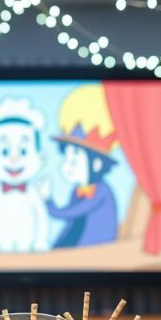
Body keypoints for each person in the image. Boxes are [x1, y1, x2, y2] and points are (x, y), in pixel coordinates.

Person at [41, 84, 119, 248]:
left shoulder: (101, 191)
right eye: (66, 159)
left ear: (96, 164)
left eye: (74, 160)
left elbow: (71, 213)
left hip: (96, 251)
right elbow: (71, 225)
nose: (66, 166)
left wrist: (49, 201)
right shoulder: (77, 191)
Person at [0, 98, 50, 253]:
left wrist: (41, 242)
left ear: (40, 157)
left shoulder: (32, 193)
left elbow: (41, 218)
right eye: (4, 151)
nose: (14, 159)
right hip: (0, 248)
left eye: (23, 151)